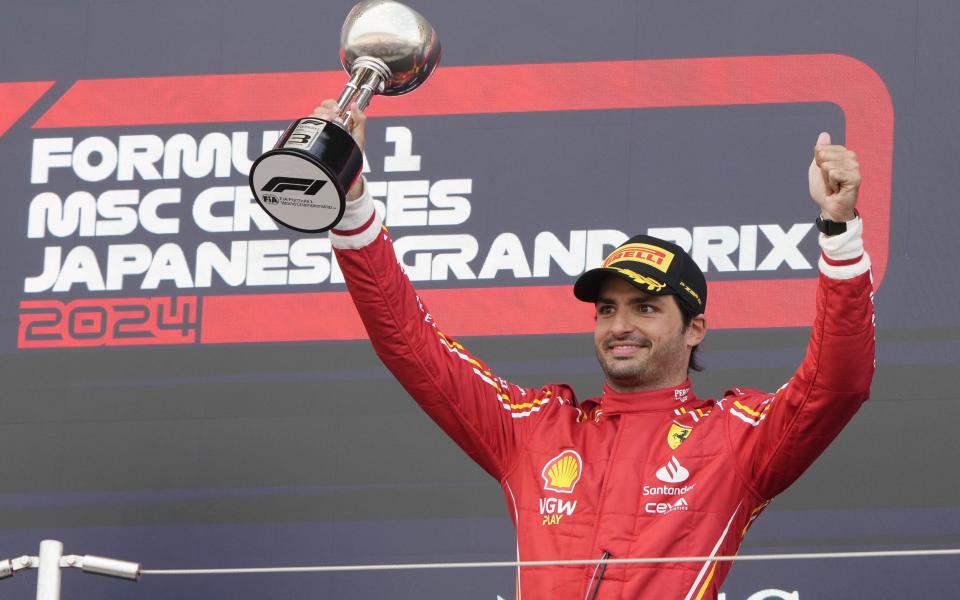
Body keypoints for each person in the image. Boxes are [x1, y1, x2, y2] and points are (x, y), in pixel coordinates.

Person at [315, 100, 875, 599]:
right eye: (607, 309)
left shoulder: (732, 437)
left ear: (696, 328)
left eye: (646, 307)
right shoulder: (534, 430)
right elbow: (411, 344)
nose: (620, 325)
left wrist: (839, 230)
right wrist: (354, 205)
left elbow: (836, 385)